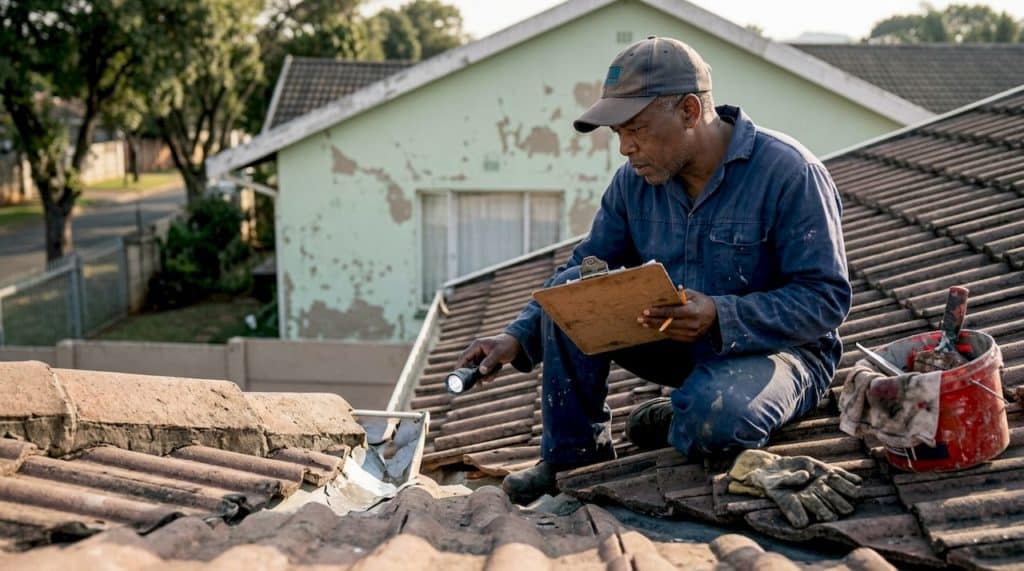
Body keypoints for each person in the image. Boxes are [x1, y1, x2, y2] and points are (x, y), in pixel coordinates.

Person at [455, 36, 852, 505]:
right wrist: (518, 337)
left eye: (636, 129)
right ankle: (571, 457)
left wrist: (720, 314)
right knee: (572, 293)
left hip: (781, 351)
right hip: (680, 344)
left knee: (717, 417)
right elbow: (584, 265)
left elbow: (825, 299)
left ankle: (684, 413)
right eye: (618, 133)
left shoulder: (791, 173)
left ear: (689, 111)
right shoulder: (634, 182)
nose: (625, 148)